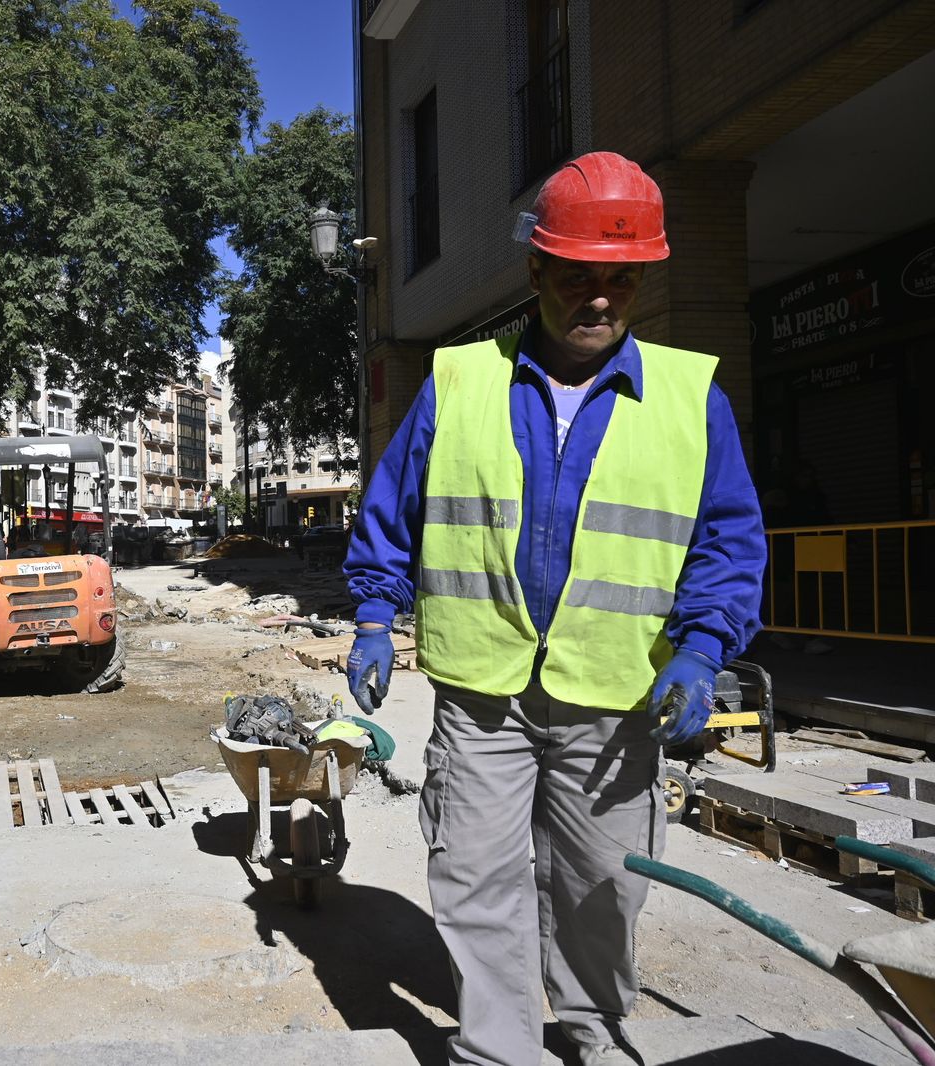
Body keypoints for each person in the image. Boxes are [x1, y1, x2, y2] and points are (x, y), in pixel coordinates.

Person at [342, 152, 765, 1066]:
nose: (600, 298)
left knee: (601, 884)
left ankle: (595, 1031)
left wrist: (701, 650)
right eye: (579, 275)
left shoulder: (693, 400)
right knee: (476, 878)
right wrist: (375, 617)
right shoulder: (458, 383)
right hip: (482, 693)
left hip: (615, 699)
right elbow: (393, 511)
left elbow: (727, 542)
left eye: (621, 279)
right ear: (537, 269)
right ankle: (498, 1050)